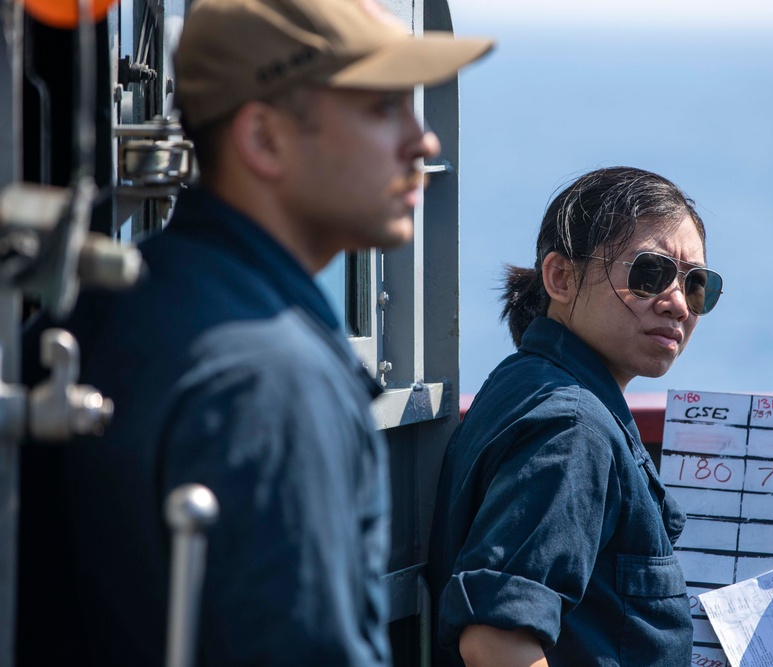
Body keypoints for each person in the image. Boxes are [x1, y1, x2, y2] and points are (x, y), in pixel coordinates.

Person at [16, 0, 491, 664]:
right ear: (264, 139)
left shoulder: (126, 303)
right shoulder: (271, 377)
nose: (423, 141)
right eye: (382, 109)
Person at [426, 166, 773, 666]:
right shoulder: (572, 430)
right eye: (649, 274)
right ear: (561, 278)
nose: (677, 304)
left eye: (697, 286)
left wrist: (771, 603)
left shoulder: (526, 383)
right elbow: (496, 640)